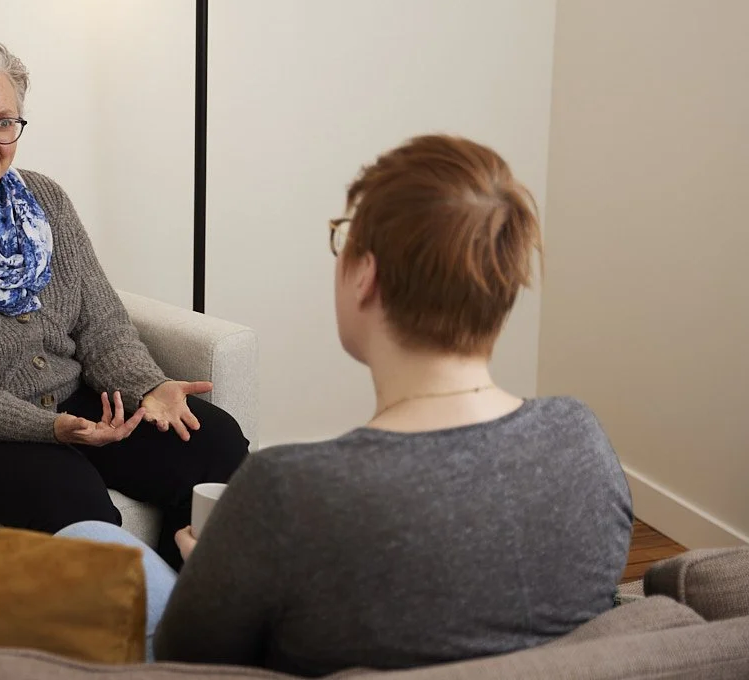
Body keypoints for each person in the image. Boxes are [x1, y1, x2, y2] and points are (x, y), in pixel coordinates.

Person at [74, 135, 633, 672]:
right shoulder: (582, 440)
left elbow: (187, 657)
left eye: (344, 238)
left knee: (90, 540)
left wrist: (209, 577)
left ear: (366, 275)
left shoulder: (288, 488)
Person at [0, 40, 250, 568]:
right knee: (75, 497)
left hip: (69, 402)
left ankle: (184, 601)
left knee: (216, 443)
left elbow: (102, 325)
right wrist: (52, 430)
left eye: (4, 123)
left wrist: (148, 387)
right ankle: (135, 614)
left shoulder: (44, 200)